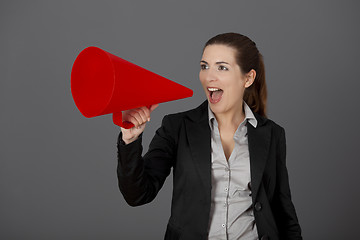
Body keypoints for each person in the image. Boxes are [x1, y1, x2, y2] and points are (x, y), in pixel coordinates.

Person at [117, 32, 302, 240]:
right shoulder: (177, 127)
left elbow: (283, 210)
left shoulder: (272, 134)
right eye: (204, 66)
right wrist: (130, 139)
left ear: (248, 78)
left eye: (222, 67)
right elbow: (138, 194)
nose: (208, 77)